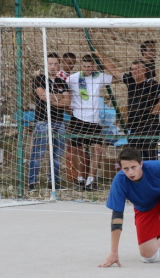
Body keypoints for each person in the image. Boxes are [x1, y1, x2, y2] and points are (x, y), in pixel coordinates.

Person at [99, 148, 160, 269]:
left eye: (134, 167)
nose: (130, 172)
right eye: (125, 169)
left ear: (141, 164)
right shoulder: (119, 181)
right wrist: (113, 252)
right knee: (149, 257)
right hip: (145, 208)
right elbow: (117, 217)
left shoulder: (155, 167)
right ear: (121, 168)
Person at [97, 52, 160, 160]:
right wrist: (99, 55)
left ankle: (151, 176)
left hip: (149, 127)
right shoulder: (131, 82)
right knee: (135, 157)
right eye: (132, 69)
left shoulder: (151, 84)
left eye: (137, 69)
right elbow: (114, 70)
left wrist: (156, 109)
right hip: (134, 127)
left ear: (144, 70)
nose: (134, 71)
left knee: (149, 157)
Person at [66, 54, 113, 191]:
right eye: (84, 66)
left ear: (94, 66)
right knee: (79, 149)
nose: (87, 69)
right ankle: (81, 179)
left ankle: (91, 180)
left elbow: (117, 77)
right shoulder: (73, 78)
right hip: (78, 118)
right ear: (81, 65)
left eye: (89, 66)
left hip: (94, 120)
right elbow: (63, 90)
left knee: (97, 149)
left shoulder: (99, 76)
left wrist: (102, 64)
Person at [28, 52, 70, 191]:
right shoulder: (39, 79)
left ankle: (54, 182)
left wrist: (52, 99)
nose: (53, 67)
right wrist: (59, 99)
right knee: (38, 153)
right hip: (42, 121)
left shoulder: (62, 82)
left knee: (57, 154)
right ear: (46, 64)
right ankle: (32, 183)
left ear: (59, 65)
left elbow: (68, 101)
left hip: (59, 121)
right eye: (50, 64)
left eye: (55, 64)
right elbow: (43, 97)